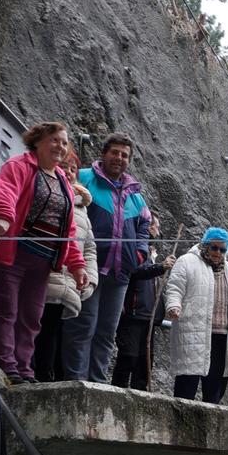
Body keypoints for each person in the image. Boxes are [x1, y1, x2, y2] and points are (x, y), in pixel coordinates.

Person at [0, 121, 87, 382]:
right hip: (16, 253)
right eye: (54, 140)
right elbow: (6, 192)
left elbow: (69, 228)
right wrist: (4, 218)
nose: (60, 146)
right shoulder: (20, 166)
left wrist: (77, 266)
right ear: (38, 141)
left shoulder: (64, 181)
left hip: (43, 261)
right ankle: (6, 364)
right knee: (7, 310)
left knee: (32, 317)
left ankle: (24, 368)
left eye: (64, 143)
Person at [62, 132, 153, 381]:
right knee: (82, 327)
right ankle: (75, 382)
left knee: (106, 333)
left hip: (120, 274)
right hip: (88, 267)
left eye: (125, 155)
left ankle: (98, 383)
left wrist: (139, 253)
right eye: (115, 152)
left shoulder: (135, 194)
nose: (119, 158)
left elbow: (145, 223)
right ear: (104, 153)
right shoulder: (84, 178)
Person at [163, 227, 228, 401]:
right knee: (187, 380)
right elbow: (175, 287)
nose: (218, 252)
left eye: (222, 249)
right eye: (214, 247)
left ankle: (208, 425)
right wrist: (173, 305)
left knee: (214, 387)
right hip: (193, 330)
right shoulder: (187, 261)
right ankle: (179, 420)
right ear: (205, 245)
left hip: (222, 336)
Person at [32, 149, 98, 380]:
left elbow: (89, 248)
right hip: (42, 272)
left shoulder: (81, 208)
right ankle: (30, 373)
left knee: (53, 330)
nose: (69, 172)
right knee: (34, 327)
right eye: (65, 166)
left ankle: (45, 376)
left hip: (68, 279)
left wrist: (90, 279)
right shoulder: (45, 192)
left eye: (73, 169)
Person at [111, 215, 175, 389]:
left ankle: (140, 397)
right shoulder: (136, 250)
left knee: (144, 363)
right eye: (155, 226)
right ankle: (117, 392)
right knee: (128, 357)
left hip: (148, 317)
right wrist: (160, 267)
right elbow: (136, 270)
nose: (158, 231)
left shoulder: (150, 253)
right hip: (133, 312)